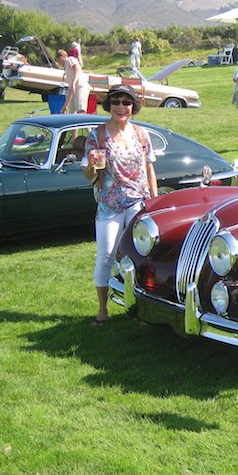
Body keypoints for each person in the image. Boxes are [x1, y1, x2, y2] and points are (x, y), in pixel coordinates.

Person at [83, 85, 158, 325]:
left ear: (133, 107)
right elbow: (88, 174)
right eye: (116, 102)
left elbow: (149, 169)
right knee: (106, 256)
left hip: (139, 203)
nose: (121, 107)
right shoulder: (98, 135)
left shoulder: (141, 134)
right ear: (109, 105)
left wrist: (156, 203)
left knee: (140, 257)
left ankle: (142, 309)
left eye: (127, 102)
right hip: (110, 205)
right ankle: (102, 310)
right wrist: (91, 168)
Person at [57, 48, 91, 114]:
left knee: (80, 110)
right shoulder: (66, 67)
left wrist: (74, 82)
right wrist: (65, 105)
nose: (58, 62)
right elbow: (71, 89)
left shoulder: (70, 59)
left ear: (61, 57)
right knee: (71, 113)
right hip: (74, 90)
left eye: (58, 60)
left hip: (81, 87)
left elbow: (77, 69)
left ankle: (83, 123)